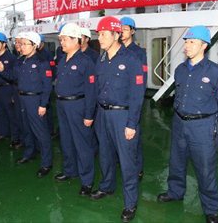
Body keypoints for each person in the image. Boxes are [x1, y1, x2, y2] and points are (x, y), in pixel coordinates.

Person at [157, 25, 218, 223]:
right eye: (186, 41)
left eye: (191, 42)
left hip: (203, 127)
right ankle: (175, 192)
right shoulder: (180, 70)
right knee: (176, 162)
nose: (186, 46)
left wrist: (209, 121)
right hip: (180, 123)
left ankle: (211, 209)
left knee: (205, 169)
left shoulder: (217, 73)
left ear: (204, 45)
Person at [90, 16, 145, 222]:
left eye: (104, 34)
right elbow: (97, 88)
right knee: (104, 154)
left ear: (116, 35)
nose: (100, 38)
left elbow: (137, 94)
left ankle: (130, 203)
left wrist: (132, 123)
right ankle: (107, 186)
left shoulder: (132, 60)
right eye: (99, 34)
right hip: (103, 114)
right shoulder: (101, 59)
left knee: (127, 160)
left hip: (123, 115)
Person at [0, 32, 54, 178]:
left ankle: (46, 163)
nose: (21, 47)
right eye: (21, 44)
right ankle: (29, 153)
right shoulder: (20, 61)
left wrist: (43, 104)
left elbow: (47, 86)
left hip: (35, 100)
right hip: (22, 99)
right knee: (26, 129)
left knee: (41, 133)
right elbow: (13, 77)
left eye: (25, 44)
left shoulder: (41, 63)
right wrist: (2, 70)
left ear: (35, 45)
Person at [54, 23, 97, 196]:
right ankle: (70, 170)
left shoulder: (85, 62)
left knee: (82, 144)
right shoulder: (63, 60)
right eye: (61, 40)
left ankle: (87, 181)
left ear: (75, 40)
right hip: (62, 105)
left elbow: (91, 90)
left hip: (78, 106)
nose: (62, 43)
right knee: (66, 140)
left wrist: (89, 114)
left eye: (64, 39)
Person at [120, 16, 148, 181]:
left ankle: (137, 168)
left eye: (125, 29)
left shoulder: (139, 53)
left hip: (132, 100)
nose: (122, 32)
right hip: (118, 99)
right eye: (120, 29)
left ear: (132, 31)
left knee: (134, 136)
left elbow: (142, 80)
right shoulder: (114, 50)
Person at [0, 32, 17, 142]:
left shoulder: (11, 58)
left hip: (7, 89)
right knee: (0, 112)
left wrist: (13, 93)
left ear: (4, 44)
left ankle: (15, 137)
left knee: (11, 115)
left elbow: (14, 76)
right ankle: (3, 133)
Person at [37, 34, 57, 138]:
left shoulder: (47, 54)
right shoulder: (34, 54)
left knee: (47, 108)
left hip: (46, 84)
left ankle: (51, 129)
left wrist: (51, 81)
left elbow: (52, 68)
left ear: (43, 43)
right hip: (38, 87)